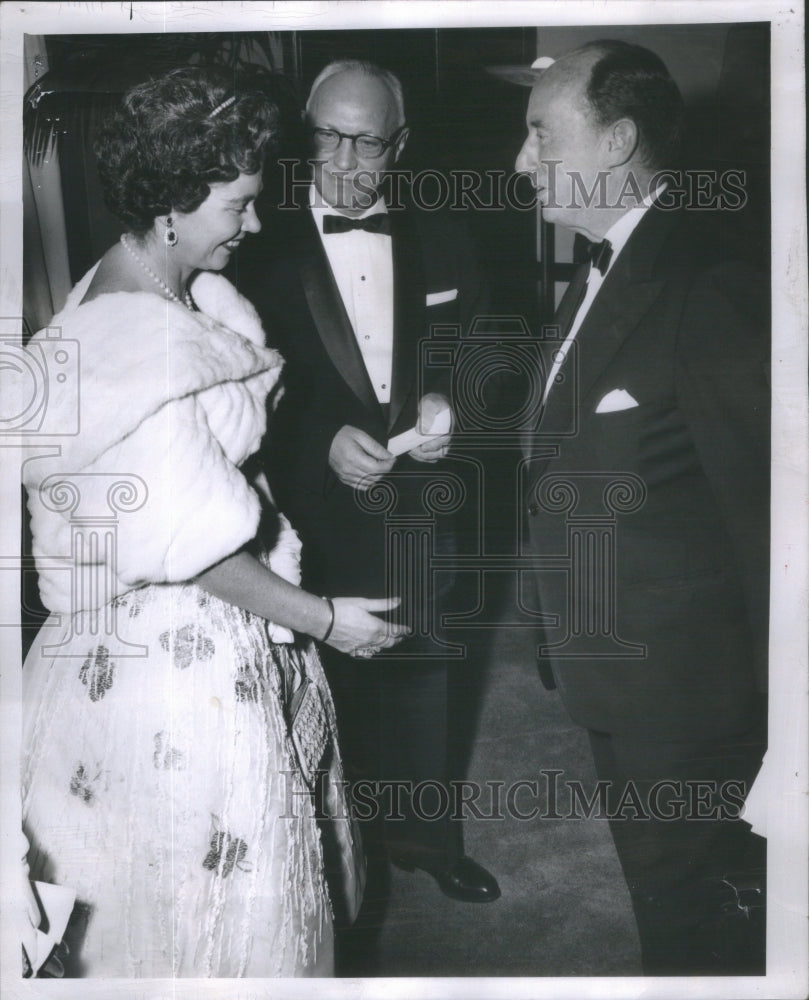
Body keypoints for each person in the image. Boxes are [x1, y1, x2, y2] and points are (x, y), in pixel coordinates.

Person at [19, 66, 409, 979]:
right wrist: (325, 621)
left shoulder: (152, 284)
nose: (256, 221)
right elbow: (189, 551)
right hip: (175, 666)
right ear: (172, 205)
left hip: (183, 631)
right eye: (237, 202)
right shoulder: (140, 345)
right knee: (202, 912)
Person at [514, 40, 769, 974]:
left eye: (542, 136)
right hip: (621, 679)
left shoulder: (708, 282)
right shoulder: (604, 263)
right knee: (669, 905)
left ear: (616, 140)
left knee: (705, 926)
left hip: (691, 697)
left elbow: (770, 522)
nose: (520, 161)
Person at [236, 60, 500, 909]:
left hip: (419, 501)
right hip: (304, 518)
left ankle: (425, 840)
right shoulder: (251, 237)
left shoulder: (445, 226)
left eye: (370, 143)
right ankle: (334, 865)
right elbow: (232, 387)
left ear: (401, 144)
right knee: (320, 697)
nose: (348, 163)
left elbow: (480, 342)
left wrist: (445, 396)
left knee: (424, 676)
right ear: (302, 133)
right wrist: (315, 441)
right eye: (329, 138)